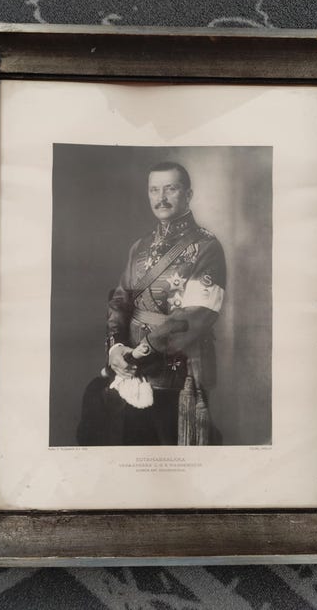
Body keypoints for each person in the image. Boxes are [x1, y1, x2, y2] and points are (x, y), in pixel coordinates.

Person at [101, 161, 226, 445]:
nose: (161, 198)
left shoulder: (207, 247)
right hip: (132, 373)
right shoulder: (140, 247)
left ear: (188, 194)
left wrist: (140, 353)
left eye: (171, 189)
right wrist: (116, 347)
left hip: (181, 375)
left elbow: (196, 315)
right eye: (154, 190)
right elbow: (120, 300)